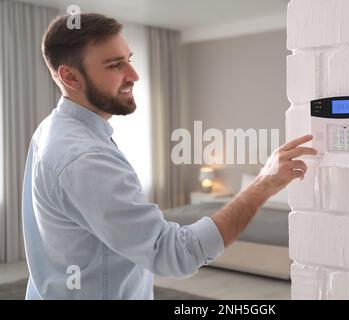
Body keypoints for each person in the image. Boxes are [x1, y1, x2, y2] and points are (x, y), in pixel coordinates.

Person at [22, 13, 317, 299]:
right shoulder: (84, 157)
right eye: (114, 65)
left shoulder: (51, 129)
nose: (134, 75)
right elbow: (176, 254)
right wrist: (263, 184)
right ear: (70, 77)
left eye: (129, 60)